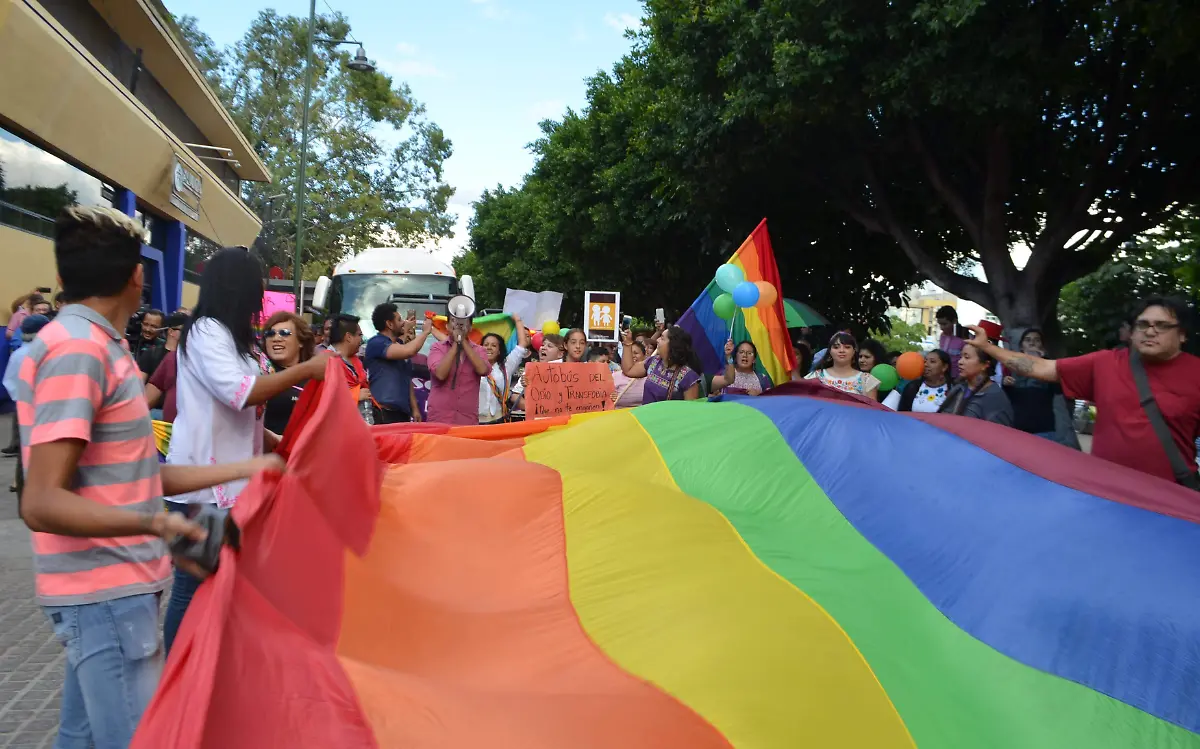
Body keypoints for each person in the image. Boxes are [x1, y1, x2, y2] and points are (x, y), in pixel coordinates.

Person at [16, 207, 285, 749]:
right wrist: (159, 527)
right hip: (104, 592)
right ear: (137, 276)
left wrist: (247, 466)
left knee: (82, 738)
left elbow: (143, 474)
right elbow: (42, 501)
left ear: (65, 275)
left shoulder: (97, 346)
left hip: (112, 590)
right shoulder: (78, 350)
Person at [165, 248, 331, 653]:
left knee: (225, 584)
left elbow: (244, 413)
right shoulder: (206, 331)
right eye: (256, 290)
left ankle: (212, 665)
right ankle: (181, 672)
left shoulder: (234, 339)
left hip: (234, 484)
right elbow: (239, 394)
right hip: (203, 489)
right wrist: (306, 370)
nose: (260, 301)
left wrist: (277, 443)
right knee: (193, 587)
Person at [965, 296, 1200, 485]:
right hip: (1106, 494)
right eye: (1143, 324)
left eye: (1161, 326)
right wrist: (988, 348)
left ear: (1182, 334)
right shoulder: (1105, 363)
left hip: (1172, 500)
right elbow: (1042, 367)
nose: (1150, 332)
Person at [4, 314, 50, 489]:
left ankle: (21, 481)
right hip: (42, 406)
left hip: (22, 404)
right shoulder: (41, 353)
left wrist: (18, 398)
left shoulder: (18, 354)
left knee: (25, 446)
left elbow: (9, 381)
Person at [365, 303, 428, 424]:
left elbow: (407, 379)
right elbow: (410, 350)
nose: (403, 322)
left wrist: (414, 409)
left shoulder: (398, 346)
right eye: (399, 320)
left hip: (402, 412)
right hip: (383, 411)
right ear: (389, 324)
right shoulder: (376, 343)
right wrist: (425, 332)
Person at [1002, 328, 1067, 442]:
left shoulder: (1050, 367)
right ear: (1022, 347)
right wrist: (1006, 385)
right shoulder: (1013, 367)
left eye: (1037, 340)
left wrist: (1044, 360)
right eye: (1028, 340)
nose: (1032, 343)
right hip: (1018, 429)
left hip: (1044, 430)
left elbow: (1058, 390)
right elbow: (1010, 399)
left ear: (1042, 346)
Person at [426, 315, 490, 424]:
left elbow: (483, 370)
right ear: (447, 326)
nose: (459, 325)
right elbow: (440, 374)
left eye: (464, 322)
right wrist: (456, 343)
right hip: (440, 419)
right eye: (454, 321)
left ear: (470, 328)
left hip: (467, 420)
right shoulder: (437, 347)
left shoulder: (479, 350)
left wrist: (463, 341)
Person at [262, 311, 316, 435]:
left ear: (301, 341)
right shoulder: (259, 372)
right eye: (270, 334)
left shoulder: (315, 376)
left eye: (284, 333)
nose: (276, 338)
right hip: (270, 451)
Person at [620, 325, 701, 403]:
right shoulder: (654, 362)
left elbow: (690, 412)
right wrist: (628, 342)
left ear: (673, 345)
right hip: (645, 416)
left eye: (662, 338)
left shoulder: (689, 377)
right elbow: (629, 370)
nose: (657, 340)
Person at [938, 341, 1014, 425]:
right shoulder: (958, 388)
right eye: (961, 356)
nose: (960, 362)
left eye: (967, 357)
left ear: (985, 365)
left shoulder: (994, 396)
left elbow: (1000, 434)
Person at [479, 314, 529, 425]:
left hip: (499, 420)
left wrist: (518, 320)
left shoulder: (506, 366)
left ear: (499, 350)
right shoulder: (472, 366)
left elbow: (522, 344)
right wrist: (432, 329)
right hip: (475, 422)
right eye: (485, 345)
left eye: (493, 345)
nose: (489, 348)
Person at [805, 332, 880, 399]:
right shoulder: (815, 376)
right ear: (830, 351)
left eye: (847, 347)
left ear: (854, 351)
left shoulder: (867, 380)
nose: (841, 350)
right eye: (836, 347)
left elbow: (872, 412)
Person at [143, 312, 187, 422]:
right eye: (184, 331)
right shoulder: (154, 354)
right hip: (156, 415)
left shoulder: (190, 359)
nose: (188, 335)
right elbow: (141, 388)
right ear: (171, 331)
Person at [884, 350, 952, 412]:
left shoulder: (953, 389)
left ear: (944, 367)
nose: (925, 365)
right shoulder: (912, 387)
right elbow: (903, 414)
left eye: (932, 361)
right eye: (925, 361)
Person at [936, 305, 968, 380]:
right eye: (940, 324)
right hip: (943, 378)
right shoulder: (942, 336)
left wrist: (960, 379)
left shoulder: (965, 338)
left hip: (959, 380)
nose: (941, 328)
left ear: (954, 321)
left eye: (944, 324)